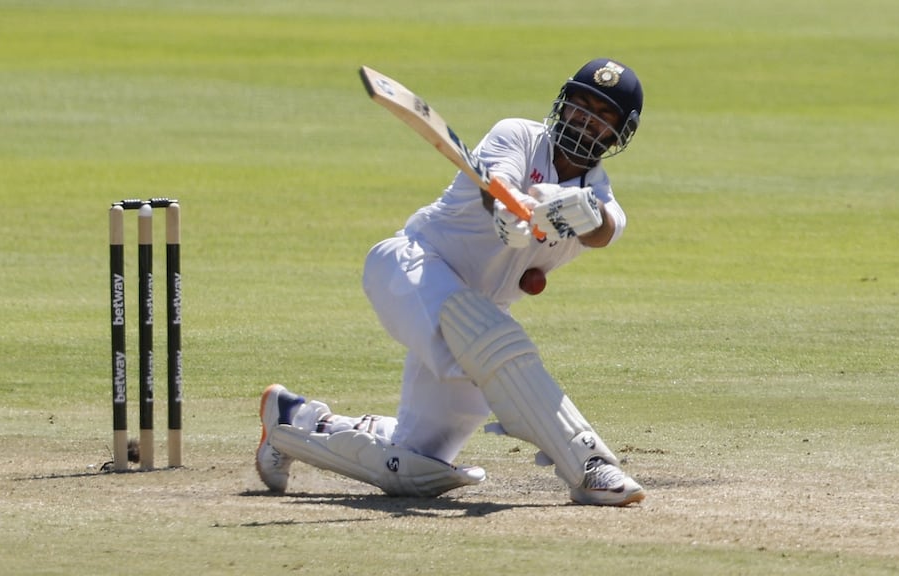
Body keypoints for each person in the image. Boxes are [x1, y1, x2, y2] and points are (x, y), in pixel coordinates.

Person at [256, 58, 646, 506]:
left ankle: (294, 422)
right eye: (579, 104)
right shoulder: (517, 134)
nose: (584, 118)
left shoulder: (603, 200)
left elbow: (603, 229)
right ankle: (589, 464)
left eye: (602, 114)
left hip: (477, 316)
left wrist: (577, 210)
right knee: (494, 343)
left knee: (416, 464)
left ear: (620, 133)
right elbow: (496, 181)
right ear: (563, 103)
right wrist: (511, 207)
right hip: (411, 268)